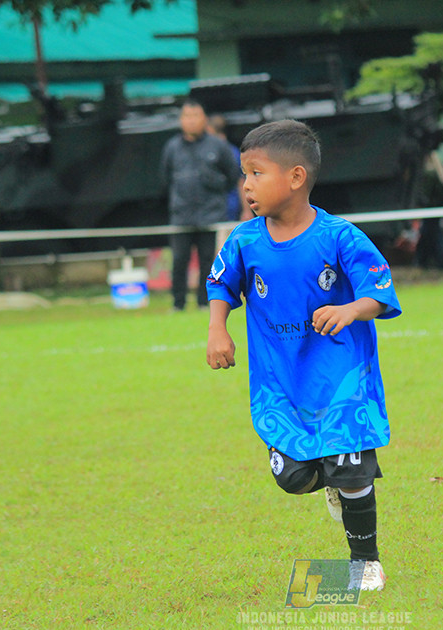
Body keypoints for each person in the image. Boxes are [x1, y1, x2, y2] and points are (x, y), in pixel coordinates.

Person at [205, 119, 401, 591]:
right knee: (292, 477)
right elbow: (220, 283)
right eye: (244, 174)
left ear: (295, 177)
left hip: (340, 379)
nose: (246, 185)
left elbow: (379, 289)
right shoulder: (244, 240)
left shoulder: (339, 236)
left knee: (352, 470)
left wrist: (351, 309)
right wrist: (217, 329)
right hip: (280, 384)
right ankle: (329, 481)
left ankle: (365, 563)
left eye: (256, 173)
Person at [157, 99, 242, 311]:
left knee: (208, 261)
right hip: (181, 216)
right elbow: (164, 179)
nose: (192, 121)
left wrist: (215, 187)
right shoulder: (172, 147)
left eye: (196, 116)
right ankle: (178, 304)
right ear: (181, 120)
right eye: (187, 116)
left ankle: (204, 302)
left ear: (204, 119)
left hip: (211, 215)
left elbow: (233, 176)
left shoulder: (218, 146)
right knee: (179, 260)